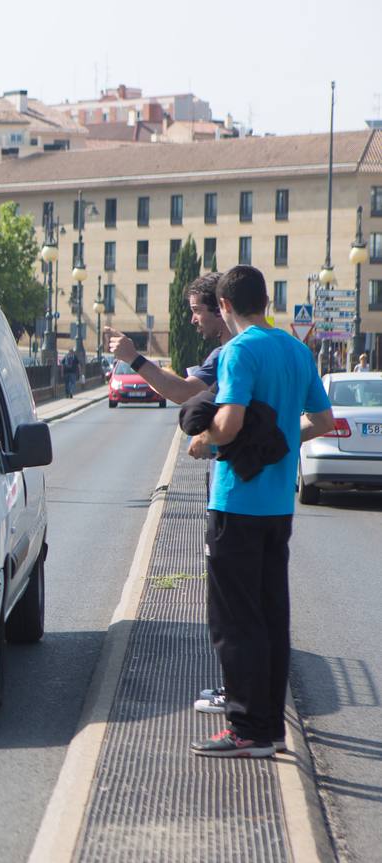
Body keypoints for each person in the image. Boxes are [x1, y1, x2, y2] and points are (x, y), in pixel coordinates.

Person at [185, 266, 334, 759]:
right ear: (265, 301)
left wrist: (204, 442)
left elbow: (227, 423)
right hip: (277, 507)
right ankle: (268, 727)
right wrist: (284, 440)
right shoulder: (296, 349)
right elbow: (324, 420)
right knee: (271, 615)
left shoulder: (239, 350)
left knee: (234, 621)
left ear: (225, 306)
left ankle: (246, 729)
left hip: (237, 503)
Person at [105, 273, 230, 408]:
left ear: (219, 309)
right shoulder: (242, 345)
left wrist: (132, 357)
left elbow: (184, 393)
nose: (193, 320)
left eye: (196, 310)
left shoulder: (228, 353)